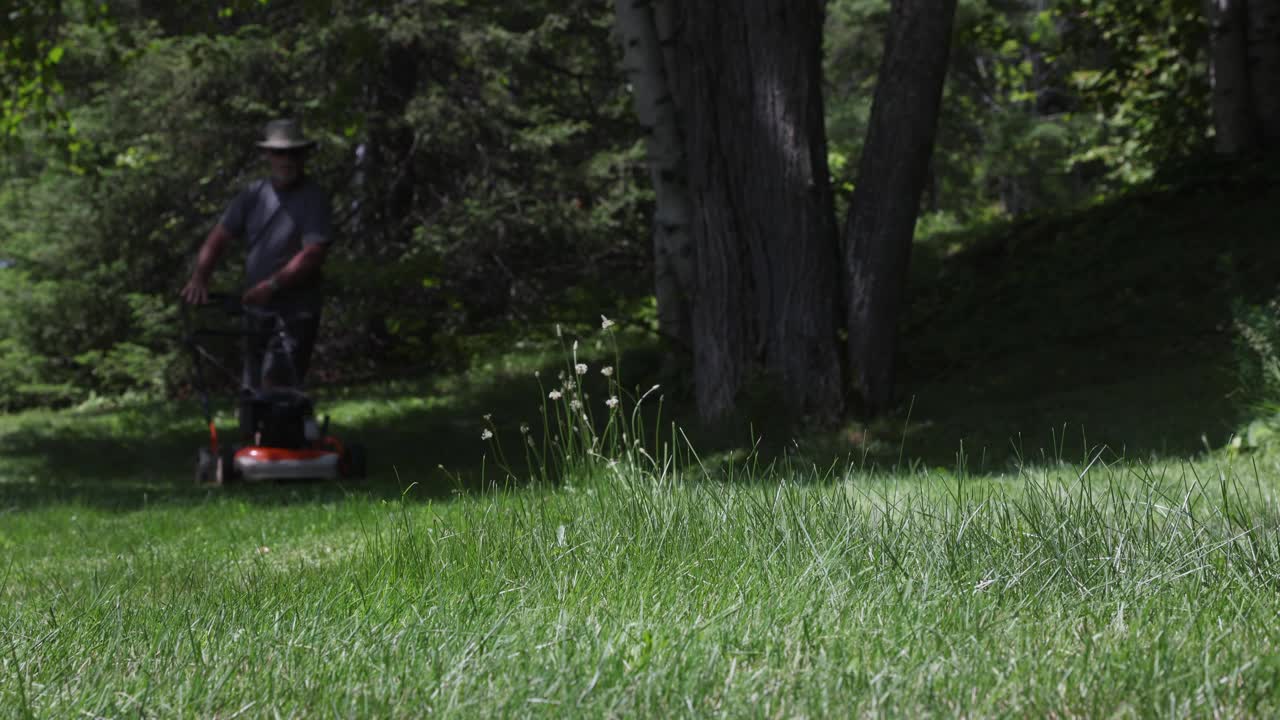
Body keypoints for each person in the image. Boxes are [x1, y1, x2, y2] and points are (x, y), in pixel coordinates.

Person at [181, 118, 333, 433]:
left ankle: (281, 446)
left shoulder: (314, 197)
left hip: (296, 308)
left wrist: (273, 285)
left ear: (303, 157)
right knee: (252, 381)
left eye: (293, 154)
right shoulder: (253, 195)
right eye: (280, 154)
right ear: (268, 156)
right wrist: (200, 278)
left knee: (278, 376)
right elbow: (219, 237)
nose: (286, 160)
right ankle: (255, 441)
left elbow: (314, 253)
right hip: (256, 307)